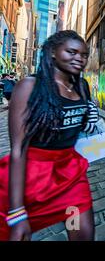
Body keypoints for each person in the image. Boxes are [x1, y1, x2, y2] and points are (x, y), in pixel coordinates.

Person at [0, 30, 99, 241]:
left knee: (82, 232)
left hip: (69, 177)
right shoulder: (29, 86)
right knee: (18, 233)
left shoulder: (82, 86)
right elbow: (18, 149)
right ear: (53, 52)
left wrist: (89, 120)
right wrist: (17, 212)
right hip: (31, 177)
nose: (79, 59)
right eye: (71, 52)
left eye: (83, 55)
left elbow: (77, 126)